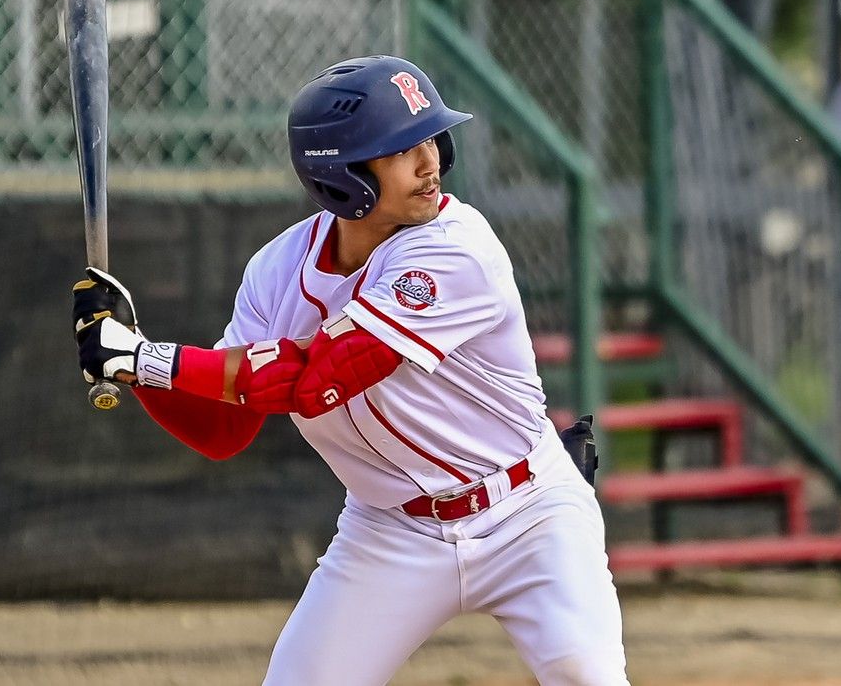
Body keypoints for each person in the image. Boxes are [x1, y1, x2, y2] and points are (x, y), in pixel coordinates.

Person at [72, 55, 629, 685]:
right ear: (340, 175)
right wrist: (131, 365)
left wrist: (149, 358)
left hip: (528, 512)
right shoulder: (276, 273)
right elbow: (225, 430)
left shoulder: (456, 246)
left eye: (430, 139)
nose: (430, 163)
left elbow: (316, 380)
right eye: (400, 150)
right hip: (391, 530)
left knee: (589, 679)